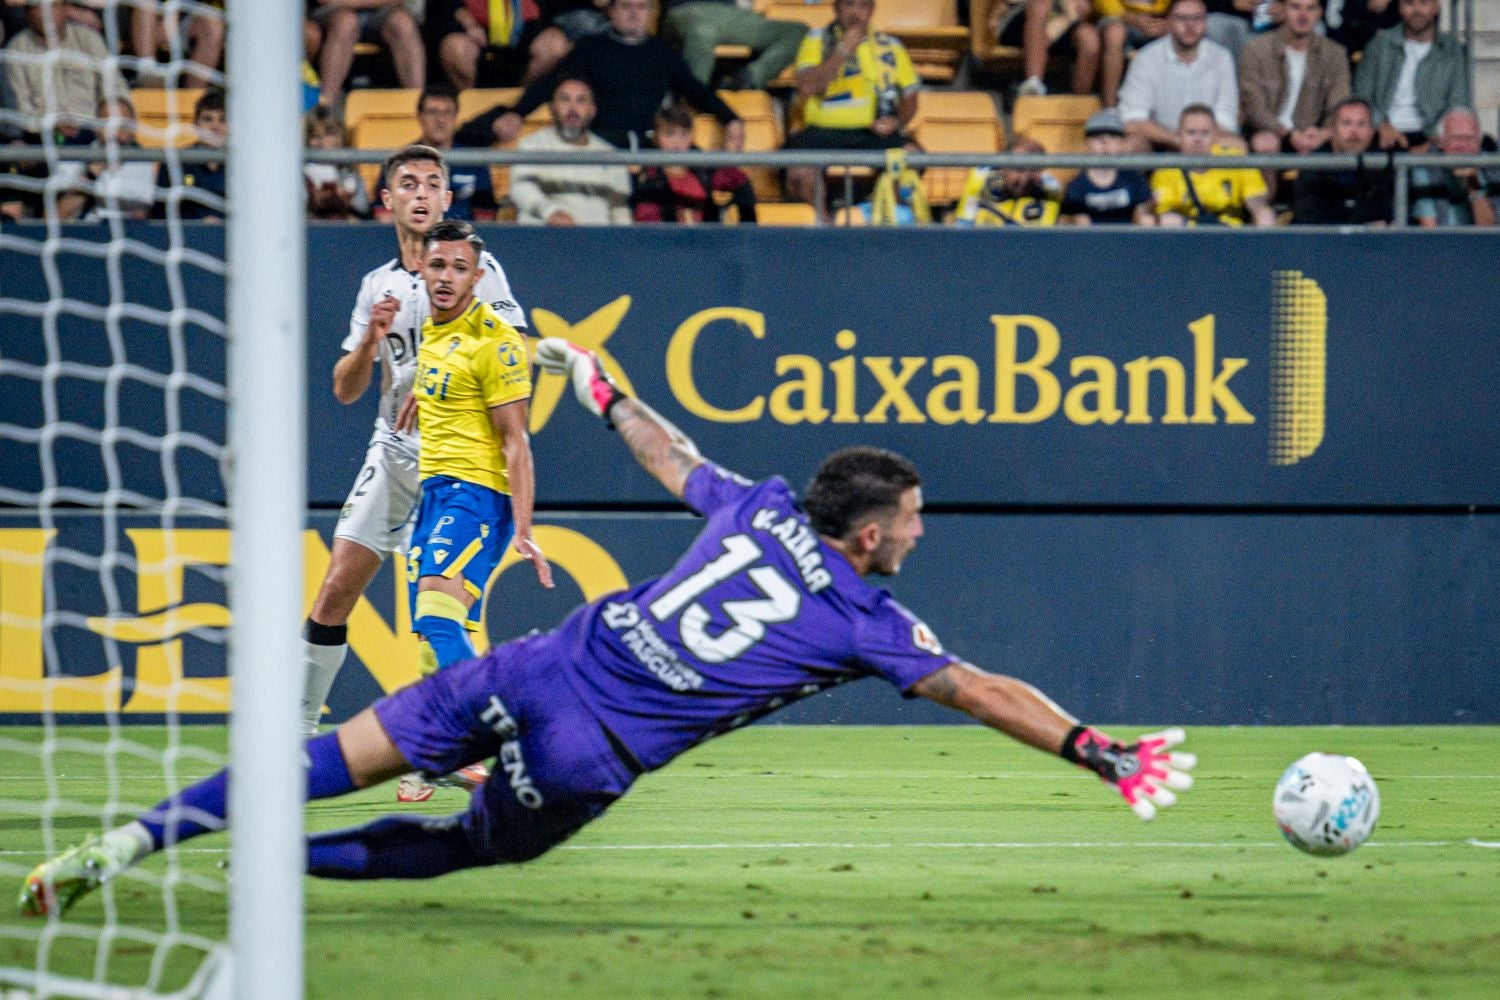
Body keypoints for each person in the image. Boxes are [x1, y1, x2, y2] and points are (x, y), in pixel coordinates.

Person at [18, 339, 1197, 919]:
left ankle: (123, 845)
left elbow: (669, 453)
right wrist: (1096, 749)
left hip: (538, 663)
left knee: (320, 760)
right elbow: (984, 687)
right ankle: (268, 878)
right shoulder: (866, 619)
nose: (922, 534)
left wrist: (597, 385)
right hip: (592, 750)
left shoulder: (764, 504)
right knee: (481, 847)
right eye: (914, 522)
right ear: (873, 535)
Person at [299, 145, 527, 782]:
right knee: (336, 588)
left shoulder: (477, 268)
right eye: (409, 183)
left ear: (448, 200)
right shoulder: (378, 286)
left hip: (460, 460)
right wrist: (372, 338)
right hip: (395, 456)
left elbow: (513, 348)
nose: (423, 193)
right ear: (389, 202)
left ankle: (450, 748)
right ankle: (297, 736)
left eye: (434, 183)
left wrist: (438, 384)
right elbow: (345, 389)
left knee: (440, 611)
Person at [458, 0, 745, 153]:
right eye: (626, 6)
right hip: (603, 143)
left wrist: (730, 118)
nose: (634, 12)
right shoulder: (592, 48)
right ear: (613, 12)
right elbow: (551, 82)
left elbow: (696, 90)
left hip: (650, 143)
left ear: (649, 12)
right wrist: (518, 113)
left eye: (641, 6)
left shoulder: (662, 52)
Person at [781, 0, 920, 217]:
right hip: (821, 132)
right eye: (849, 4)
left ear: (872, 10)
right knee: (798, 172)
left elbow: (910, 99)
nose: (855, 12)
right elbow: (807, 87)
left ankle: (883, 224)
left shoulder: (890, 46)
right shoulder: (816, 39)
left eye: (863, 5)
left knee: (912, 159)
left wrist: (897, 121)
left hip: (872, 133)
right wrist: (842, 50)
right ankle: (826, 236)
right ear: (836, 8)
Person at [1117, 0, 1238, 152]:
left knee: (1236, 145)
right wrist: (1177, 139)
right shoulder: (1146, 57)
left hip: (1208, 141)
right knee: (1131, 145)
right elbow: (1132, 120)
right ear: (1168, 21)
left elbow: (1225, 120)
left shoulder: (1221, 58)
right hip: (1159, 141)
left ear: (1206, 22)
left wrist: (1195, 140)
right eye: (1182, 18)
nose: (1190, 25)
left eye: (1197, 18)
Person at [510, 75, 633, 225]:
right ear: (551, 107)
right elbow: (521, 189)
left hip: (596, 244)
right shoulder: (531, 145)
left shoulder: (610, 155)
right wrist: (551, 213)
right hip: (542, 241)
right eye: (565, 99)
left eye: (581, 100)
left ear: (592, 110)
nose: (573, 108)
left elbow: (619, 209)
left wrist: (624, 241)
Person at [1351, 0, 1468, 151]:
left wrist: (1432, 143)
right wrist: (1380, 124)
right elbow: (1361, 95)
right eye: (1409, 3)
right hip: (1382, 133)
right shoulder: (1380, 44)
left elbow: (1458, 102)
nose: (1417, 10)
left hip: (1431, 136)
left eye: (1424, 3)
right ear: (1400, 8)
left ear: (1436, 7)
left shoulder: (1451, 49)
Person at [1240, 0, 1350, 160]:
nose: (1303, 15)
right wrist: (1289, 133)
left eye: (1310, 8)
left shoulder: (1334, 54)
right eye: (1295, 7)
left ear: (1319, 13)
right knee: (1266, 144)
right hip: (1267, 130)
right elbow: (1254, 106)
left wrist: (1323, 133)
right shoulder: (1256, 49)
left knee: (1346, 139)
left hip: (1313, 132)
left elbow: (1339, 104)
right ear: (1283, 10)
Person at [371, 84, 499, 222]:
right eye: (433, 112)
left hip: (461, 239)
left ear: (456, 116)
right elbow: (384, 216)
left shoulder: (474, 162)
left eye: (447, 112)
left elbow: (486, 218)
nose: (440, 120)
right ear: (420, 117)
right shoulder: (398, 162)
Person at [2, 0, 128, 137]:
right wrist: (49, 122)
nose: (46, 13)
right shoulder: (16, 50)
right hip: (42, 137)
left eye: (53, 6)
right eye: (38, 7)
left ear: (66, 9)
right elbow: (19, 107)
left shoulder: (89, 39)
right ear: (27, 13)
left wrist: (115, 110)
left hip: (92, 132)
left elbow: (115, 85)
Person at [1151, 103, 1276, 225]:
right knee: (1168, 221)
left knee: (1266, 215)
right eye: (1191, 133)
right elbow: (1165, 212)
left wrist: (1260, 210)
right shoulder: (1167, 167)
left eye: (1205, 133)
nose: (1198, 140)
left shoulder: (1235, 159)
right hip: (1186, 236)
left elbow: (1257, 201)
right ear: (1179, 135)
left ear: (1216, 136)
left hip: (1230, 235)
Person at [631, 102, 757, 223]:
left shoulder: (702, 171)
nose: (677, 143)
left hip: (707, 241)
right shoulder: (650, 178)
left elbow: (738, 180)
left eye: (684, 134)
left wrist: (747, 229)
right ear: (656, 137)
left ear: (691, 137)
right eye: (669, 134)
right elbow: (647, 221)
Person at [1290, 96, 1394, 225]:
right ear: (1332, 129)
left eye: (1361, 124)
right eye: (1346, 123)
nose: (1354, 131)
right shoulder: (1314, 164)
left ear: (1372, 131)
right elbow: (1308, 215)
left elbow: (1390, 213)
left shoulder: (1383, 163)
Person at [659, 0, 807, 91]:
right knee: (702, 33)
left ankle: (749, 79)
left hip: (727, 13)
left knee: (797, 31)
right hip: (685, 9)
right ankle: (693, 105)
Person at [52, 97, 158, 222]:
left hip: (130, 232)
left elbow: (144, 215)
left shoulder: (144, 162)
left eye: (122, 125)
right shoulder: (74, 158)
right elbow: (55, 217)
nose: (115, 132)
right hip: (84, 232)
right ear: (96, 128)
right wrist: (91, 175)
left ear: (133, 129)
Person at [307, 0, 425, 111]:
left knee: (403, 22)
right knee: (346, 22)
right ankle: (325, 106)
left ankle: (420, 103)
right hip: (335, 11)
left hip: (383, 11)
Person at [1060, 108, 1155, 225]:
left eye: (1113, 137)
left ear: (1122, 143)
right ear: (1086, 144)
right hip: (1091, 241)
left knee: (1147, 220)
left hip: (1129, 240)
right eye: (1098, 137)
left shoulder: (1134, 179)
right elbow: (1079, 224)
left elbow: (1142, 214)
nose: (1105, 143)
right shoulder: (1077, 185)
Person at [1408, 108, 1498, 228]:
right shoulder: (1426, 167)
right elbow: (1430, 231)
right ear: (1441, 142)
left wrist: (1472, 182)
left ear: (1478, 142)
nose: (1462, 146)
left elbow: (1489, 230)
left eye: (1469, 138)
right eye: (1455, 138)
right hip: (1443, 244)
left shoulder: (1492, 167)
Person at [1001, 0, 1102, 100]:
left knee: (1089, 38)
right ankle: (1033, 85)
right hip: (1020, 18)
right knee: (1040, 6)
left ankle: (1079, 101)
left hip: (1061, 20)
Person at [153, 86, 227, 222]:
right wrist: (198, 222)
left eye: (222, 120)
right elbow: (159, 213)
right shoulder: (175, 162)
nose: (215, 127)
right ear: (195, 125)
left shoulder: (244, 166)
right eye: (208, 119)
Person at [951, 136, 1063, 226]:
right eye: (1018, 169)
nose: (1023, 179)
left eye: (1033, 170)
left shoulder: (1051, 190)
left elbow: (1040, 242)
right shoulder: (980, 175)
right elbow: (963, 225)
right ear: (1003, 166)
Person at [128, 0, 225, 88]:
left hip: (185, 19)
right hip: (149, 21)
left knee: (214, 24)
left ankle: (195, 93)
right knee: (146, 5)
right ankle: (148, 75)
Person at [305, 105, 372, 221]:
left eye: (327, 134)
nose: (319, 142)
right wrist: (311, 202)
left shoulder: (350, 172)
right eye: (314, 136)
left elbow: (364, 211)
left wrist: (345, 204)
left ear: (340, 137)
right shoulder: (299, 174)